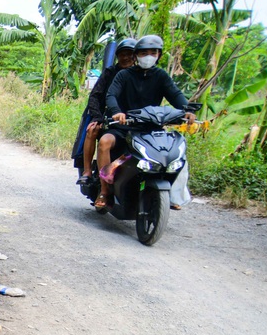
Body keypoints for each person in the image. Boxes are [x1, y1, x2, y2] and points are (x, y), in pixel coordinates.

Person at [95, 34, 195, 210]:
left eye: (153, 52)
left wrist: (187, 110)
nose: (148, 56)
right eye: (143, 53)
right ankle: (104, 191)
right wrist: (117, 112)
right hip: (124, 126)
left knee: (174, 151)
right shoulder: (124, 75)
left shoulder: (161, 76)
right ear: (136, 56)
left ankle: (170, 193)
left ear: (159, 55)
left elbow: (175, 95)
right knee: (104, 142)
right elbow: (111, 95)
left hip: (150, 129)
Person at [73, 38, 136, 188]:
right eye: (122, 54)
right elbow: (95, 95)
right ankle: (87, 172)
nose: (126, 58)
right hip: (109, 118)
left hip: (135, 121)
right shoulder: (110, 73)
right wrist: (98, 117)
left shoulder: (141, 75)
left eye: (130, 54)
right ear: (117, 56)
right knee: (92, 129)